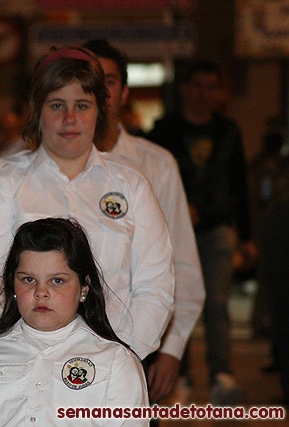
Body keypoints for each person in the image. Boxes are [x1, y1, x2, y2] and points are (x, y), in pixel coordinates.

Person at [0, 46, 175, 360]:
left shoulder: (132, 186)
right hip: (27, 362)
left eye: (83, 105)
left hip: (114, 360)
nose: (70, 119)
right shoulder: (6, 182)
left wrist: (121, 353)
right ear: (38, 111)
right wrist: (22, 350)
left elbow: (155, 284)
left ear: (100, 111)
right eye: (57, 105)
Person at [82, 39, 205, 404]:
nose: (101, 92)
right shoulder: (39, 166)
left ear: (124, 93)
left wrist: (172, 347)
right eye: (90, 80)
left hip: (139, 338)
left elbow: (180, 259)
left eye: (110, 81)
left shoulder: (155, 164)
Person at [0, 218, 149, 426]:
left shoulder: (115, 362)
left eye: (57, 281)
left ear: (84, 289)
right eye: (28, 280)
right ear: (12, 286)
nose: (41, 293)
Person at [148, 61, 257, 404]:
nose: (204, 93)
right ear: (184, 89)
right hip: (173, 229)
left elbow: (240, 185)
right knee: (174, 303)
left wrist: (248, 236)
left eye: (211, 86)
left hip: (217, 229)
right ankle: (178, 374)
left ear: (220, 93)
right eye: (198, 85)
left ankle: (221, 373)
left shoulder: (228, 130)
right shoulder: (164, 131)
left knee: (216, 303)